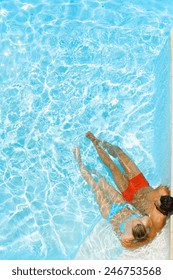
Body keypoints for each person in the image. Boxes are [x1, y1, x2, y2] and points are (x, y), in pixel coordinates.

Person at [86, 131, 173, 233]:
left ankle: (94, 143)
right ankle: (101, 142)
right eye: (159, 198)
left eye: (157, 202)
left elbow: (147, 234)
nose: (156, 199)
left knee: (112, 167)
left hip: (130, 194)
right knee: (121, 154)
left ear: (161, 210)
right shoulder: (163, 192)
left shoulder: (156, 219)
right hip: (141, 183)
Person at [73, 146, 156, 249]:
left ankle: (79, 161)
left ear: (133, 231)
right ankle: (96, 173)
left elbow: (127, 245)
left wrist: (138, 242)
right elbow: (149, 222)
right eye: (139, 222)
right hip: (121, 205)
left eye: (135, 224)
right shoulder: (145, 221)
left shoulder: (127, 236)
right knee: (104, 183)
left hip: (110, 214)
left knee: (96, 188)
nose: (137, 221)